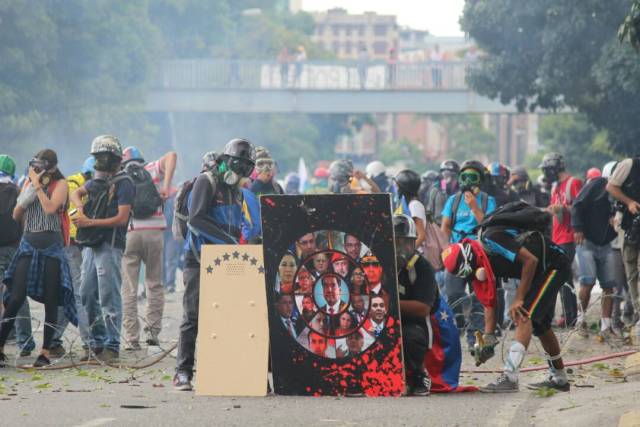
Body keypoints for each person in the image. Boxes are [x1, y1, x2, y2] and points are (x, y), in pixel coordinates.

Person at [443, 209, 572, 392]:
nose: (472, 276)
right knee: (541, 325)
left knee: (523, 314)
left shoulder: (491, 238)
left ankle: (510, 377)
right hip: (540, 271)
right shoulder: (480, 262)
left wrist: (518, 298)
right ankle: (560, 378)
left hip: (554, 265)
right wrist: (487, 338)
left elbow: (531, 261)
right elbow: (489, 301)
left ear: (469, 260)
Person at [172, 138, 255, 391]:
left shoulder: (236, 191)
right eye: (237, 165)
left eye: (245, 168)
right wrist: (230, 242)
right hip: (199, 259)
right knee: (193, 315)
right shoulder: (205, 182)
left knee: (226, 315)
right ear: (226, 161)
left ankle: (222, 369)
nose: (240, 172)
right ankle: (182, 372)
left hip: (226, 261)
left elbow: (238, 225)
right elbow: (197, 219)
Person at [0, 149, 77, 367]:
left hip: (51, 245)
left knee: (51, 299)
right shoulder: (29, 184)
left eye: (41, 165)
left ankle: (44, 352)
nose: (37, 169)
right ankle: (1, 345)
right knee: (15, 297)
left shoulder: (60, 184)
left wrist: (38, 186)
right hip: (28, 243)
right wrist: (29, 191)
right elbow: (16, 214)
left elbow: (51, 208)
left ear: (51, 167)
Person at [71, 136, 135, 363]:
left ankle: (112, 346)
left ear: (116, 159)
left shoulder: (125, 182)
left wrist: (89, 223)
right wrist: (80, 210)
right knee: (87, 293)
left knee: (109, 295)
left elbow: (121, 218)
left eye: (104, 157)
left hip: (111, 245)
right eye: (98, 157)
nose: (100, 162)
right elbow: (76, 193)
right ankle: (95, 343)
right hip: (91, 244)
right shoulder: (98, 180)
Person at [120, 146, 177, 350]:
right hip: (155, 233)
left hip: (131, 233)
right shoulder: (152, 170)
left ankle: (131, 338)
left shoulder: (120, 176)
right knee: (154, 283)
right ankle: (153, 333)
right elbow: (171, 155)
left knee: (129, 287)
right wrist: (167, 186)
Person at [441, 160, 495, 350]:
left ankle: (474, 338)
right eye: (465, 177)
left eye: (473, 177)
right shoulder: (453, 200)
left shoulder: (488, 200)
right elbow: (446, 225)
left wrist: (474, 206)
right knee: (453, 293)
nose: (468, 181)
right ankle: (459, 326)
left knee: (479, 298)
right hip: (457, 252)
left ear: (480, 180)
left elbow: (488, 224)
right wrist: (444, 248)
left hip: (480, 253)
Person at [572, 163, 618, 339]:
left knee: (609, 285)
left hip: (606, 242)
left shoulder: (625, 191)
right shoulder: (597, 184)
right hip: (587, 240)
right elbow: (577, 204)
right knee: (587, 282)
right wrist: (577, 228)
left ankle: (605, 326)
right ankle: (580, 321)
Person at [394, 214, 437, 396]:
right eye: (395, 242)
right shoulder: (377, 264)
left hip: (412, 324)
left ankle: (418, 375)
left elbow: (423, 308)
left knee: (408, 336)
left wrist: (391, 305)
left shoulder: (421, 267)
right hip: (380, 320)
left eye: (405, 242)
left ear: (412, 243)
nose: (400, 247)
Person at [541, 152, 582, 327]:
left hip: (568, 236)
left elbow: (581, 208)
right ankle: (568, 315)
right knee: (563, 277)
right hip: (556, 237)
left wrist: (562, 208)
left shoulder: (573, 183)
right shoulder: (555, 187)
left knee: (562, 276)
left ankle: (570, 316)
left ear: (554, 168)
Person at [606, 155, 640, 326]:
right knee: (632, 272)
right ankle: (638, 311)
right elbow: (611, 187)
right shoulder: (629, 165)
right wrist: (629, 202)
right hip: (630, 225)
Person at [394, 170, 427, 251]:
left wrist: (408, 253)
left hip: (416, 253)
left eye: (397, 186)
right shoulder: (405, 204)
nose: (395, 188)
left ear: (403, 188)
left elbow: (421, 235)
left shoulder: (414, 205)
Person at [426, 160, 459, 227]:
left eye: (450, 175)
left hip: (457, 229)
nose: (447, 179)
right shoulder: (435, 190)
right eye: (444, 174)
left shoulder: (462, 193)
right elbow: (430, 210)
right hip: (438, 227)